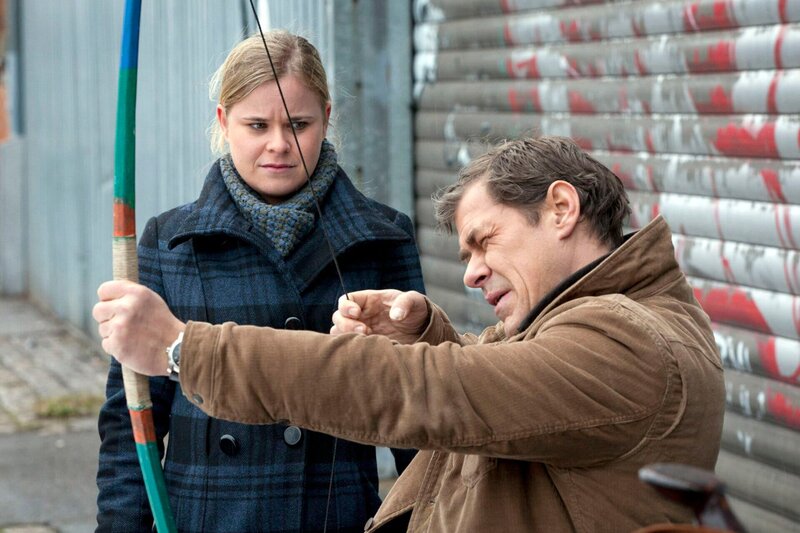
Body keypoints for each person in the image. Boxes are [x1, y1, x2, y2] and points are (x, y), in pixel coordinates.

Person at [95, 136, 725, 531]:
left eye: (485, 242)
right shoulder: (586, 319)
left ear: (561, 209)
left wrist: (187, 349)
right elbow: (506, 393)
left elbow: (436, 392)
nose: (473, 271)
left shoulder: (628, 343)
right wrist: (423, 334)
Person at [95, 30, 424, 532]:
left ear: (327, 119)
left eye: (298, 124)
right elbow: (133, 418)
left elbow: (414, 412)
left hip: (337, 516)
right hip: (206, 517)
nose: (278, 144)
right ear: (225, 123)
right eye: (256, 124)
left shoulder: (383, 237)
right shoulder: (170, 240)